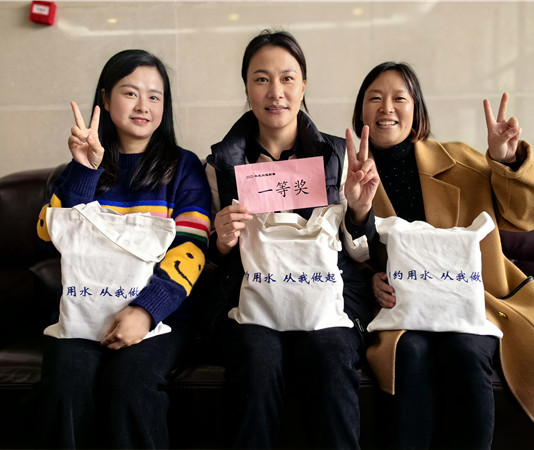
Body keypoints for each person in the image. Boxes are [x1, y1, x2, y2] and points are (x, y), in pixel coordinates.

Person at [351, 61, 534, 449]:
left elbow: (525, 217)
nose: (386, 108)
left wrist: (505, 161)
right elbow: (342, 251)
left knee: (463, 349)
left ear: (417, 110)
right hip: (402, 310)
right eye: (374, 98)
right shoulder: (350, 175)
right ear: (361, 111)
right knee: (409, 352)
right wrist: (368, 279)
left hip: (474, 302)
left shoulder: (460, 160)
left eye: (399, 98)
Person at [204, 29, 380, 449]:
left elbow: (360, 252)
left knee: (331, 356)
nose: (275, 92)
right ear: (246, 89)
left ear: (303, 86)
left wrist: (359, 210)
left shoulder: (339, 156)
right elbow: (214, 257)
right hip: (251, 301)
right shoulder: (220, 164)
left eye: (287, 78)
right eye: (261, 79)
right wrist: (222, 241)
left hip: (328, 300)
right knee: (257, 361)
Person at [30, 49, 211, 449]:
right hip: (84, 312)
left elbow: (193, 248)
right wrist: (84, 169)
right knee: (65, 383)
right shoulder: (82, 166)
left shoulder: (184, 168)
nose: (143, 106)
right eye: (130, 93)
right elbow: (47, 233)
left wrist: (145, 311)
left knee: (129, 383)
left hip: (161, 317)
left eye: (154, 96)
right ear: (106, 99)